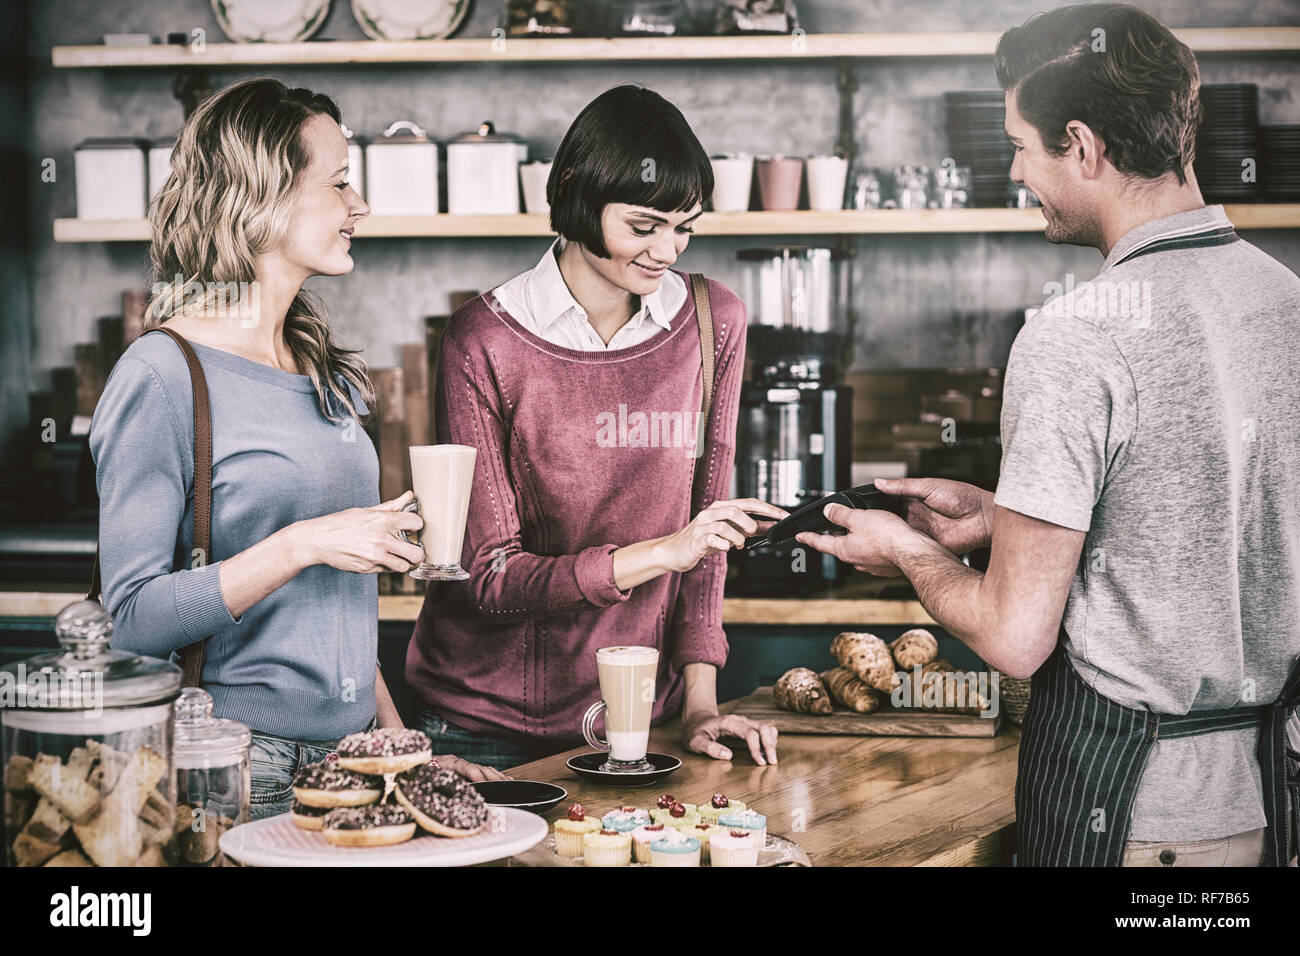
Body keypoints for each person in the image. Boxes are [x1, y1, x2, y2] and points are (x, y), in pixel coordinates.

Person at [797, 4, 1300, 867]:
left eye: (1021, 147)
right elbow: (1219, 515)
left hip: (1135, 818)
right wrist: (1009, 518)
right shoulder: (1284, 300)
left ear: (1082, 145)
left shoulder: (1076, 333)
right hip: (1272, 802)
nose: (1016, 171)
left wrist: (909, 552)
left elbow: (1012, 636)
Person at [89, 78, 503, 821]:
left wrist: (400, 748)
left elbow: (335, 613)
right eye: (339, 182)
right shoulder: (161, 375)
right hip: (242, 764)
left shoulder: (323, 369)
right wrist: (303, 543)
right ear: (263, 198)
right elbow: (132, 621)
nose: (360, 204)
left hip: (354, 755)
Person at [406, 85, 785, 770]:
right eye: (644, 227)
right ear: (577, 195)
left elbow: (708, 542)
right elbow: (490, 577)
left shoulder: (712, 322)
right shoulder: (483, 341)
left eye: (685, 227)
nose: (667, 250)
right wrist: (663, 552)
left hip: (639, 715)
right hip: (482, 724)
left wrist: (700, 705)